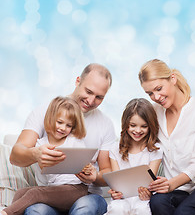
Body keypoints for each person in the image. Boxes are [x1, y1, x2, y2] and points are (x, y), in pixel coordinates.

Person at [10, 63, 116, 215]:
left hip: (86, 195)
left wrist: (94, 177)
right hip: (50, 196)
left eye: (99, 97)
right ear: (77, 81)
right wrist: (36, 154)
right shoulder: (45, 112)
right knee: (35, 210)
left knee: (85, 208)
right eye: (88, 91)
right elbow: (15, 156)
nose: (91, 101)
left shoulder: (105, 124)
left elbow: (107, 172)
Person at [138, 58, 195, 215]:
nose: (156, 97)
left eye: (159, 89)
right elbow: (145, 148)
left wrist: (171, 184)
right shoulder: (155, 113)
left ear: (173, 78)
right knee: (157, 201)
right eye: (150, 93)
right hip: (181, 188)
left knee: (185, 211)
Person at [1, 96, 96, 215]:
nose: (63, 128)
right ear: (51, 118)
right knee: (21, 193)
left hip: (76, 189)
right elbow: (43, 180)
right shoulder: (40, 145)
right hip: (53, 190)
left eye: (68, 125)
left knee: (35, 193)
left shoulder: (74, 141)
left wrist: (87, 169)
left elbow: (84, 165)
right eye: (60, 122)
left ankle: (5, 213)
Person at [105, 98, 163, 215]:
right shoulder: (115, 148)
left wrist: (147, 193)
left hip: (143, 199)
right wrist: (115, 193)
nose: (138, 130)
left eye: (144, 126)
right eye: (133, 125)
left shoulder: (155, 149)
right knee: (117, 208)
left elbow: (150, 183)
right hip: (121, 199)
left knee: (142, 210)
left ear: (150, 126)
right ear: (126, 124)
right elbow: (116, 183)